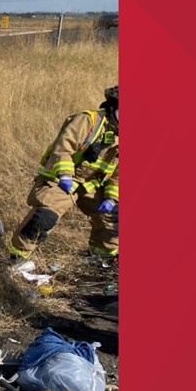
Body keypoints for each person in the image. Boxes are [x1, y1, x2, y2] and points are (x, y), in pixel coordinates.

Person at [7, 86, 119, 261]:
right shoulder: (88, 121)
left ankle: (102, 258)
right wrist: (65, 175)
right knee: (45, 216)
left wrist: (111, 199)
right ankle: (18, 256)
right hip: (61, 180)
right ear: (113, 106)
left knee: (114, 218)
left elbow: (119, 175)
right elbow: (63, 147)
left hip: (90, 186)